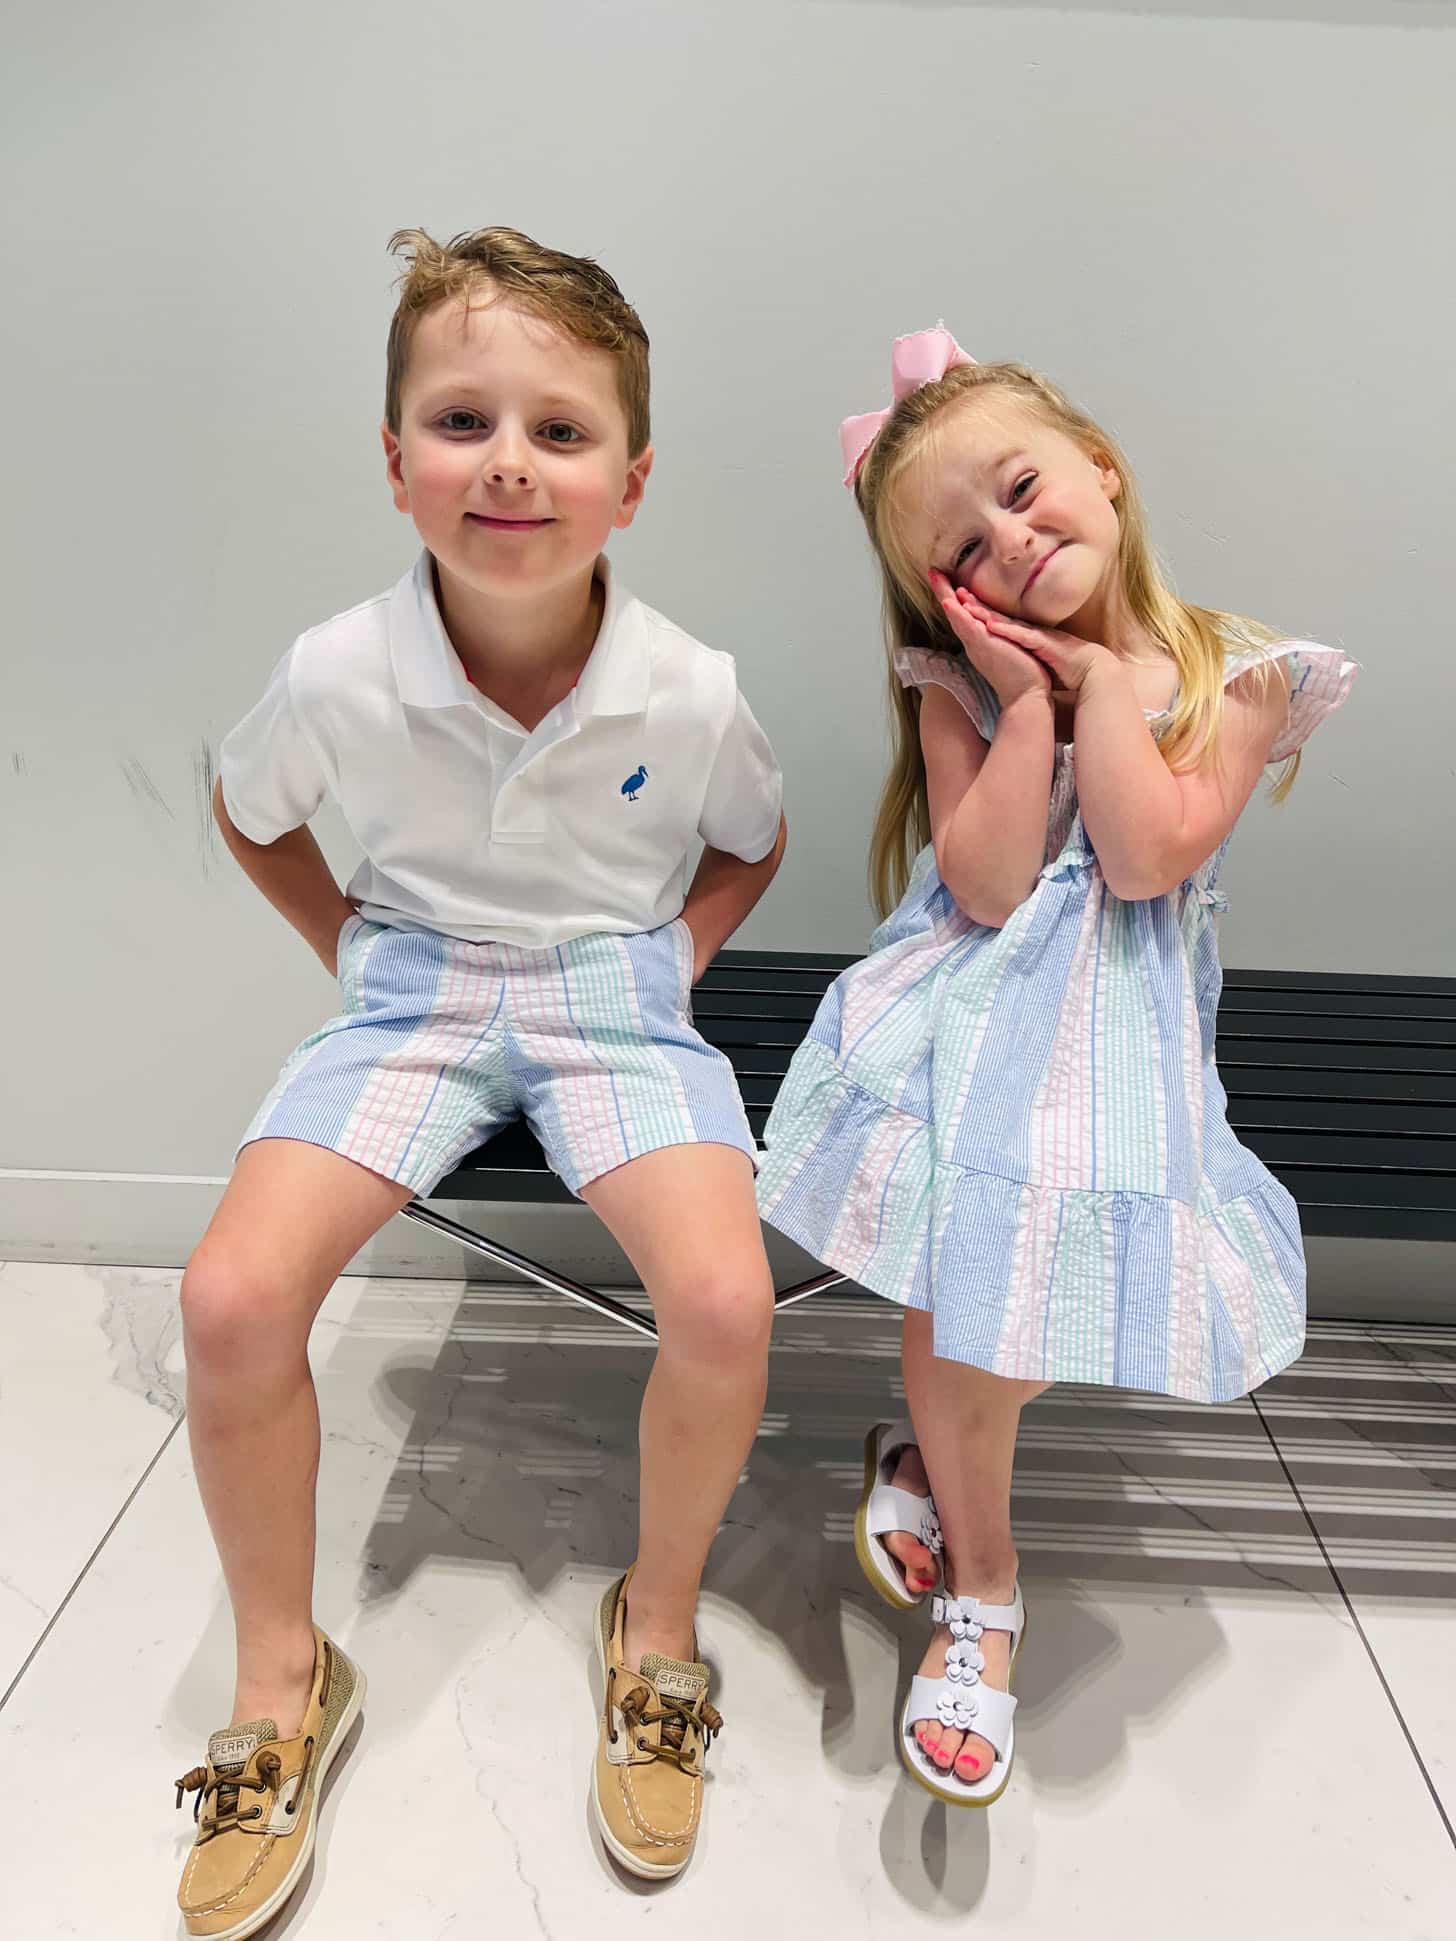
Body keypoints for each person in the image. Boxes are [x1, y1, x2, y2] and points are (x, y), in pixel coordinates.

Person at [173, 226, 787, 1933]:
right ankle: (283, 1675)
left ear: (630, 481)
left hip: (611, 993)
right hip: (414, 989)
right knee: (229, 1296)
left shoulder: (691, 687)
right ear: (396, 462)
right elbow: (250, 806)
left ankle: (655, 1627)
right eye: (461, 420)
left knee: (726, 1300)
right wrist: (348, 948)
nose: (509, 460)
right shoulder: (337, 669)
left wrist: (674, 959)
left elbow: (751, 838)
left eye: (560, 430)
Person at [757, 326, 1355, 1808]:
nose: (1012, 542)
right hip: (967, 1024)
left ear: (1102, 467)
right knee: (966, 1301)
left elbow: (1145, 859)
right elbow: (986, 882)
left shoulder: (1230, 674)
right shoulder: (957, 687)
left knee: (1007, 1339)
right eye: (965, 548)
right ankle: (987, 1594)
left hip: (1116, 1053)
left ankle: (931, 1456)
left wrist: (1094, 687)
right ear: (941, 595)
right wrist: (1020, 701)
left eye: (1023, 491)